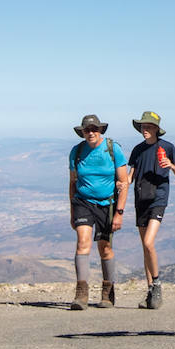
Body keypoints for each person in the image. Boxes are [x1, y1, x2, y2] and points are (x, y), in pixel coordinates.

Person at [67, 114, 128, 310]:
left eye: (94, 129)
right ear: (82, 132)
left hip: (107, 204)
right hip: (82, 202)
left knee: (105, 248)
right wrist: (71, 211)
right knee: (82, 243)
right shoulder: (76, 152)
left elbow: (124, 182)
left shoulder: (112, 149)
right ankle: (81, 293)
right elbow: (72, 182)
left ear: (100, 130)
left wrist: (119, 212)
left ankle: (108, 293)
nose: (91, 132)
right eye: (87, 130)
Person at [126, 110, 175, 309]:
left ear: (157, 129)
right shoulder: (137, 150)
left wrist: (171, 166)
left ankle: (157, 283)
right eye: (143, 127)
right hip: (140, 199)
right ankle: (151, 291)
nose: (145, 130)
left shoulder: (168, 147)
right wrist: (120, 183)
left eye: (148, 127)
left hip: (158, 199)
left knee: (149, 242)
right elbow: (130, 175)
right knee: (145, 247)